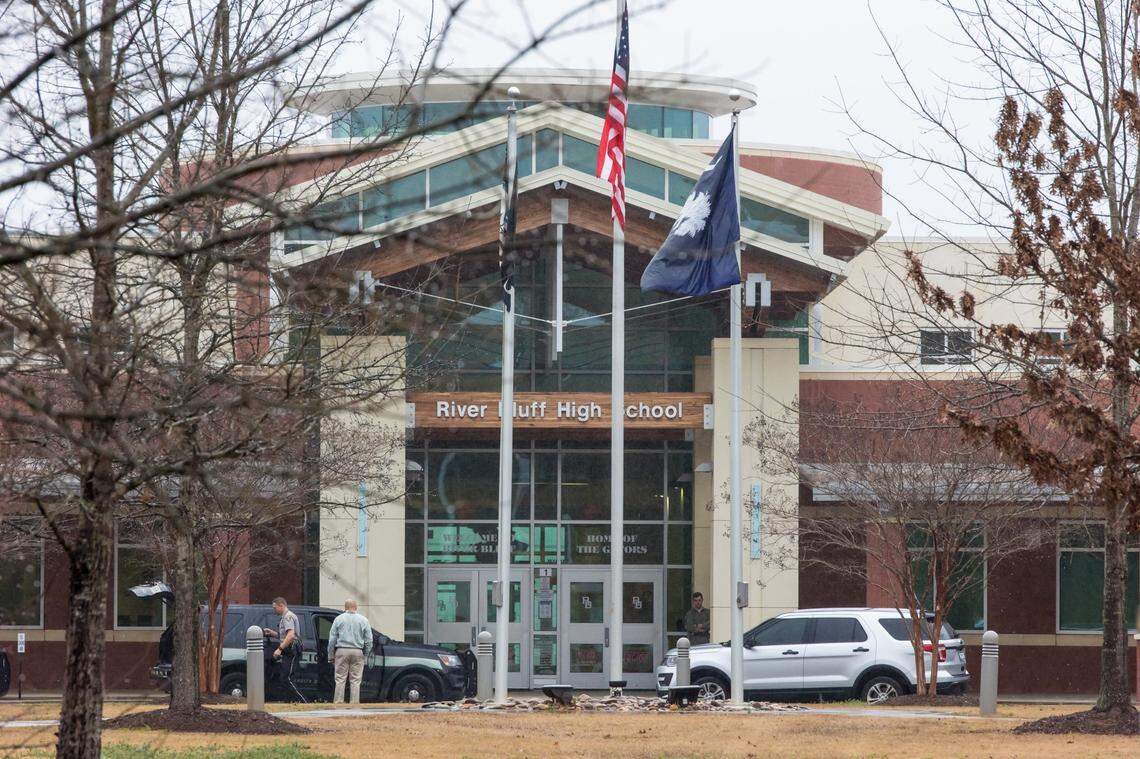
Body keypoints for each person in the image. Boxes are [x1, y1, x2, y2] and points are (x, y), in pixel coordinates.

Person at [327, 599, 373, 704]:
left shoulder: (338, 619)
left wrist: (330, 655)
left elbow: (332, 639)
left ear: (345, 608)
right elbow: (369, 640)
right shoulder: (364, 620)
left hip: (341, 650)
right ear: (356, 608)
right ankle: (354, 704)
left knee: (340, 679)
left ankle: (338, 703)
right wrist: (365, 654)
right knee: (356, 680)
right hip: (357, 651)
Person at [264, 596, 306, 703]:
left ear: (281, 605)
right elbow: (285, 635)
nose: (274, 610)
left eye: (275, 607)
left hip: (291, 650)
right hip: (289, 650)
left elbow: (291, 635)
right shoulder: (285, 617)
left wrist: (279, 649)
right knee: (285, 678)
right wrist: (273, 634)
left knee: (287, 678)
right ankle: (290, 702)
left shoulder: (288, 617)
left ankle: (302, 701)